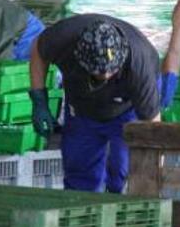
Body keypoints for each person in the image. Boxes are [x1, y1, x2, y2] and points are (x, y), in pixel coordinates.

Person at [29, 14, 161, 193]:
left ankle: (118, 202)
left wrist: (155, 172)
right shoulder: (63, 37)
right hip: (82, 105)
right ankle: (81, 211)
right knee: (79, 170)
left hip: (127, 107)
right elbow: (38, 49)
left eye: (111, 70)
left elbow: (153, 127)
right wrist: (39, 99)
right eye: (99, 73)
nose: (106, 76)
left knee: (124, 167)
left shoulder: (139, 64)